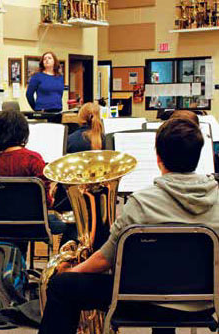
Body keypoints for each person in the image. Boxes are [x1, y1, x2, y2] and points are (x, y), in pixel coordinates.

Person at [39, 118, 219, 334]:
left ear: (158, 157)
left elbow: (105, 259)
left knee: (61, 286)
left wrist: (72, 271)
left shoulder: (141, 203)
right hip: (204, 302)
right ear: (198, 156)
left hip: (139, 303)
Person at [0, 111, 77, 247]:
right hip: (34, 225)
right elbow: (47, 202)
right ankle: (65, 265)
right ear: (23, 132)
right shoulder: (32, 159)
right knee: (73, 222)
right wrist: (52, 191)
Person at [26, 51, 64, 123]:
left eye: (49, 58)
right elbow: (29, 94)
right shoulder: (37, 76)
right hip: (43, 112)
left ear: (54, 61)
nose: (46, 60)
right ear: (42, 62)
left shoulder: (60, 77)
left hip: (57, 111)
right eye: (44, 59)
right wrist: (36, 109)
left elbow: (60, 94)